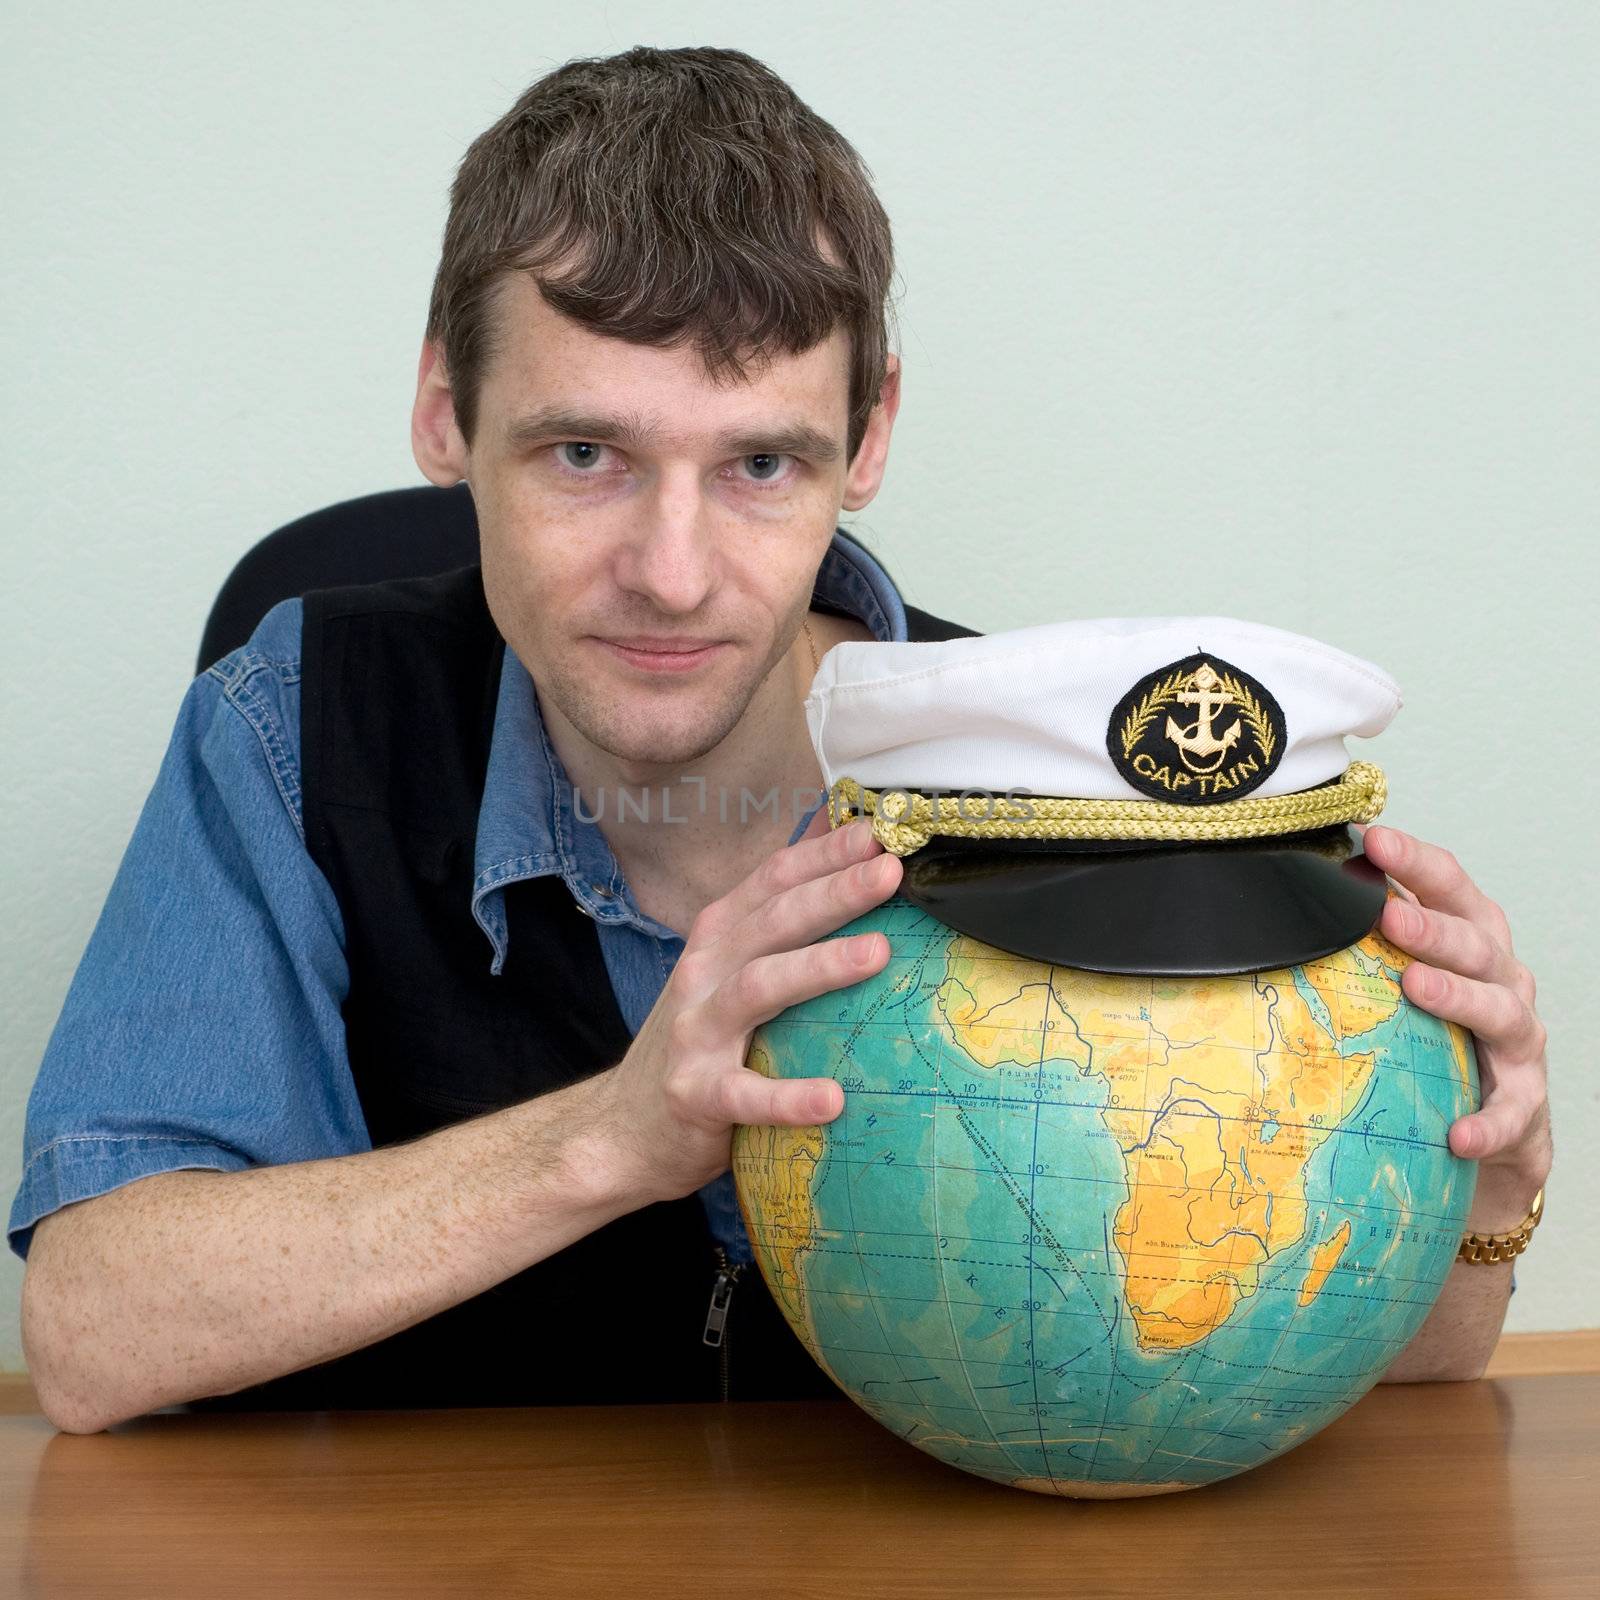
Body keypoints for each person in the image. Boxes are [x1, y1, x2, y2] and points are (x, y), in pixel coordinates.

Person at [9, 46, 1553, 1435]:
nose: (672, 571)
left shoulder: (1070, 781)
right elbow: (89, 1334)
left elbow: (1324, 1359)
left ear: (868, 438)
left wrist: (1476, 1182)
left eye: (758, 462)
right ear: (441, 413)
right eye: (585, 453)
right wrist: (608, 1139)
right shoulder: (295, 727)